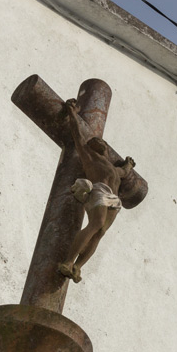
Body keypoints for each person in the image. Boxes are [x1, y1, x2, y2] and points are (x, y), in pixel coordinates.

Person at [57, 98, 135, 283]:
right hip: (100, 190)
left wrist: (129, 164)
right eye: (97, 142)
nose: (101, 142)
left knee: (100, 232)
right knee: (95, 223)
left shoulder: (115, 170)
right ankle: (68, 262)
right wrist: (72, 113)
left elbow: (125, 171)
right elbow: (78, 136)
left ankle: (78, 267)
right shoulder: (89, 157)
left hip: (115, 200)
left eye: (103, 143)